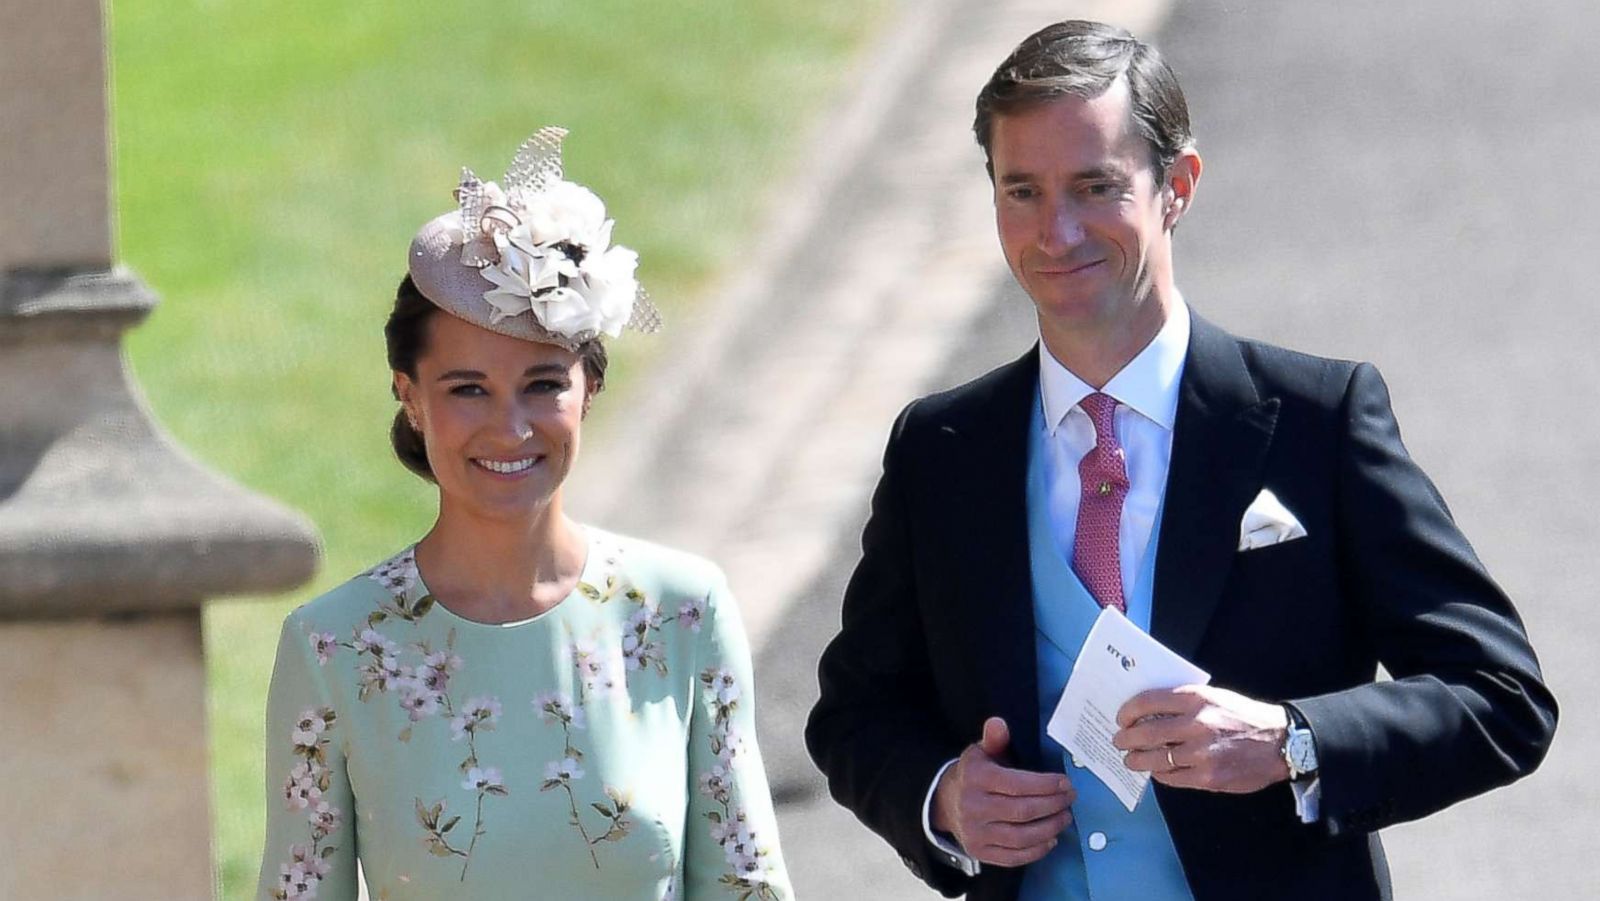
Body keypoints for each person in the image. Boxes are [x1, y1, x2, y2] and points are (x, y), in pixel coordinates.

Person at [805, 20, 1556, 901]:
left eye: (1095, 186)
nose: (1058, 231)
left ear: (1178, 186)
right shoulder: (942, 450)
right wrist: (944, 798)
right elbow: (855, 712)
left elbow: (1502, 697)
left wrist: (1291, 739)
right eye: (1023, 191)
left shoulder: (1317, 420)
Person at [257, 127, 792, 901]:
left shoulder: (681, 612)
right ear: (410, 397)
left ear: (589, 390)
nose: (510, 428)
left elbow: (749, 887)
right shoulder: (335, 647)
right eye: (467, 388)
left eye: (542, 384)